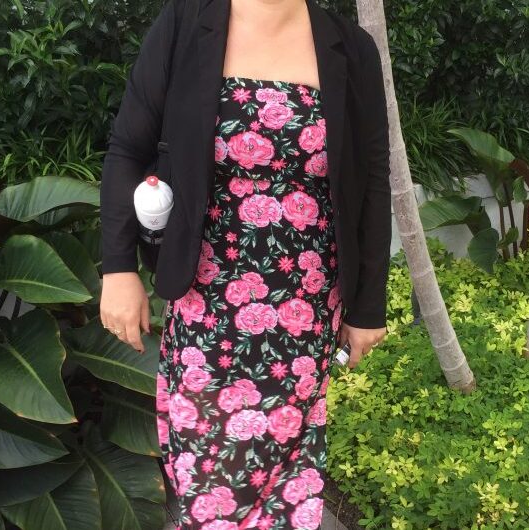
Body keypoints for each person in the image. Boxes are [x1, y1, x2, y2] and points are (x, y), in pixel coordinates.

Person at [98, 0, 391, 527]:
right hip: (205, 305)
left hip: (304, 313)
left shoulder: (351, 48)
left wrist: (368, 305)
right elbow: (127, 148)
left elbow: (372, 179)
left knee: (286, 469)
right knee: (210, 470)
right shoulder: (185, 25)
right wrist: (118, 269)